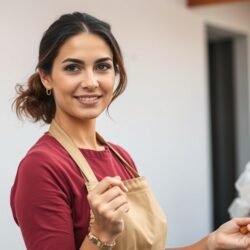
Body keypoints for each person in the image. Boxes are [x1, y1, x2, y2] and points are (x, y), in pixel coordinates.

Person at [10, 12, 250, 250]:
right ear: (46, 78)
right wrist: (101, 234)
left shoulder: (120, 156)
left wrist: (210, 244)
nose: (91, 82)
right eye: (73, 68)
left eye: (102, 66)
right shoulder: (41, 167)